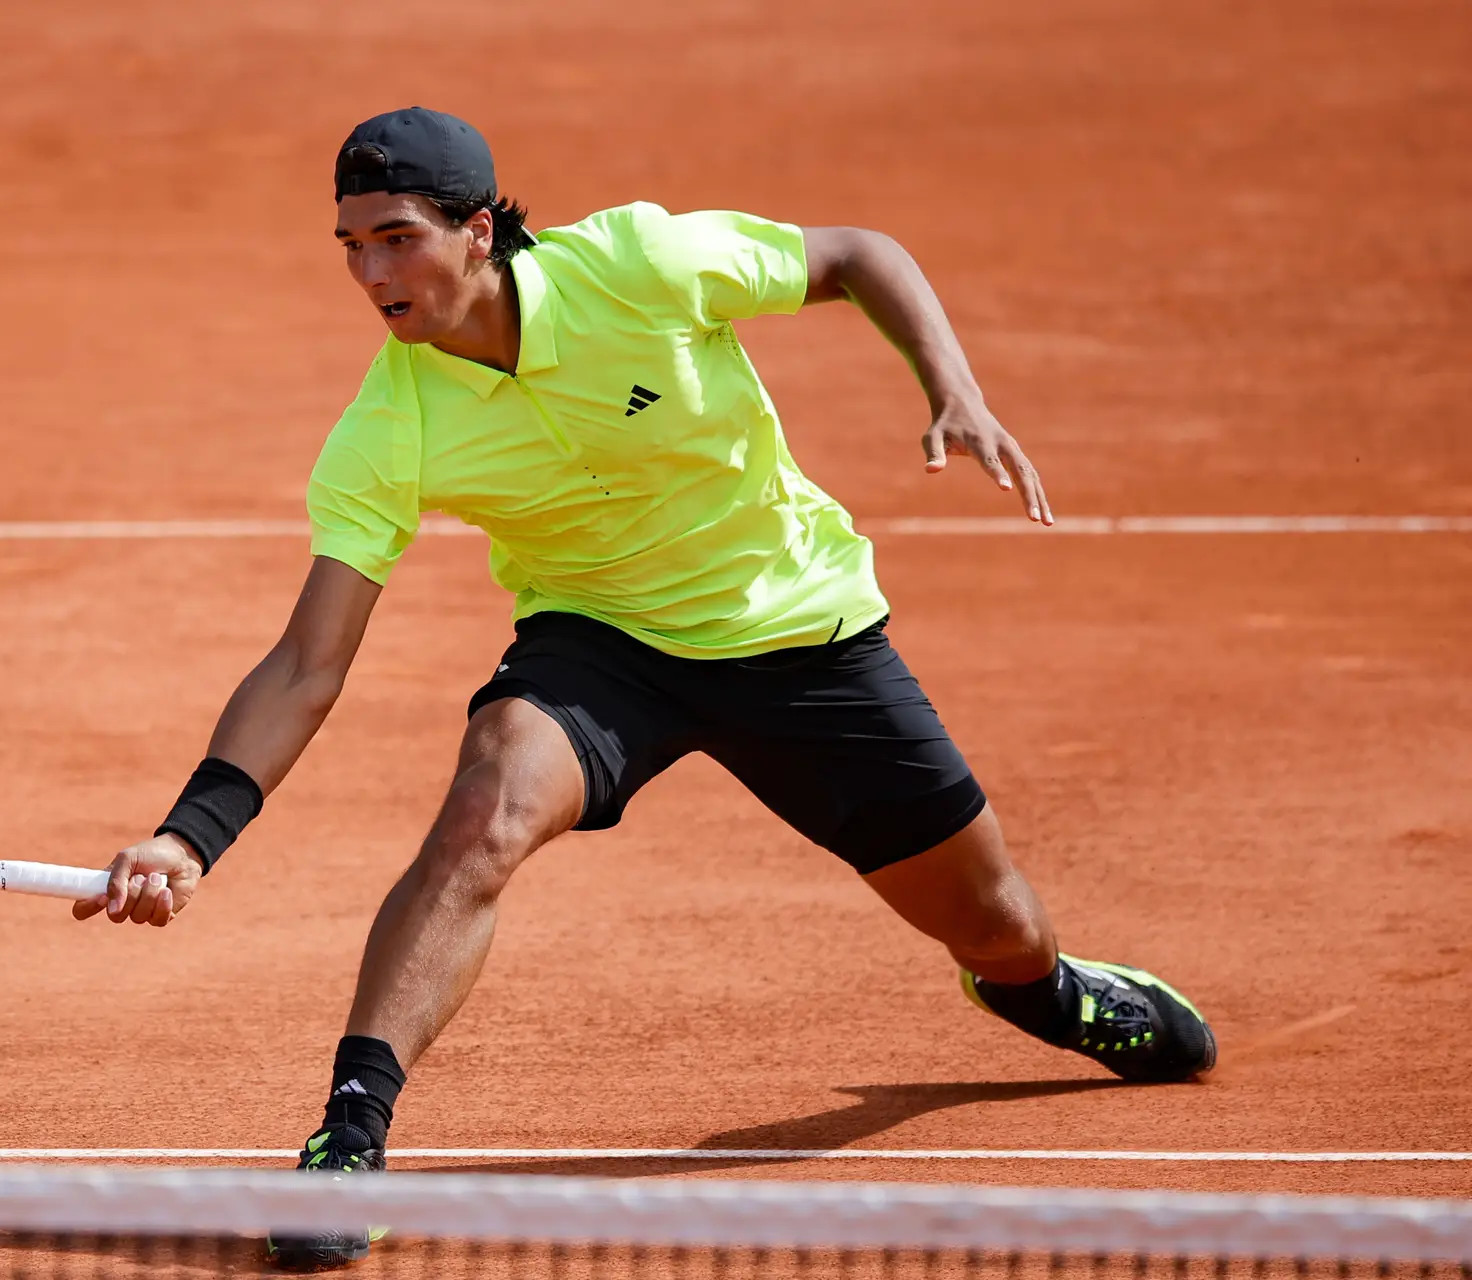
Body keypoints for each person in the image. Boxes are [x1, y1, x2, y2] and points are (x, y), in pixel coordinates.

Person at [75, 107, 1216, 1271]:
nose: (371, 273)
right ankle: (348, 1143)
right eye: (351, 245)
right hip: (599, 643)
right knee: (485, 809)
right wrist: (190, 834)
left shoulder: (643, 265)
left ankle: (1045, 990)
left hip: (795, 625)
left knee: (998, 924)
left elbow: (858, 253)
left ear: (479, 232)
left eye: (396, 238)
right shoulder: (391, 422)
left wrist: (953, 386)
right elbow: (307, 661)